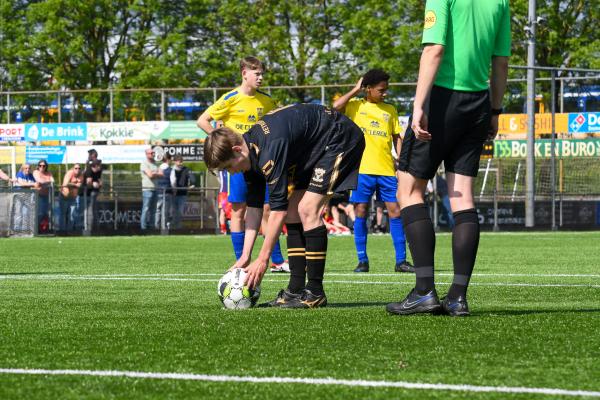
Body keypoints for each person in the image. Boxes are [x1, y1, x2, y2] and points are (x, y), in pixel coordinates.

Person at [387, 0, 511, 316]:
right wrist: (495, 110)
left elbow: (434, 51)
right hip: (479, 102)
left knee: (409, 191)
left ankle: (424, 291)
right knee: (462, 197)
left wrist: (418, 105)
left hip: (441, 99)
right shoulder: (500, 2)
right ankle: (457, 297)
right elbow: (500, 62)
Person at [203, 103, 365, 309]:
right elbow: (254, 209)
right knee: (292, 213)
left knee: (307, 209)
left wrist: (262, 259)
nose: (230, 173)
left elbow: (276, 211)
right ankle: (295, 290)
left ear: (237, 151)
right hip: (312, 148)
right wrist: (245, 256)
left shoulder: (269, 150)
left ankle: (315, 292)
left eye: (227, 167)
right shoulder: (250, 152)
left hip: (338, 137)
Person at [196, 56, 288, 273]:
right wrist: (222, 144)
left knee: (267, 208)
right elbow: (202, 120)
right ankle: (241, 262)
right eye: (257, 73)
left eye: (262, 73)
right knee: (237, 211)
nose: (261, 78)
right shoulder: (230, 98)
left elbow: (281, 118)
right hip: (236, 163)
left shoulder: (266, 100)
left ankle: (277, 260)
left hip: (260, 162)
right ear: (244, 73)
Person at [333, 69, 413, 274]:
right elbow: (335, 107)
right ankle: (362, 261)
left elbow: (397, 137)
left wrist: (402, 165)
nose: (385, 93)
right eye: (381, 90)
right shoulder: (355, 106)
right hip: (362, 170)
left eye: (386, 89)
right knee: (360, 211)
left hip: (386, 169)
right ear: (368, 89)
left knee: (395, 210)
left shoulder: (390, 110)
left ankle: (401, 261)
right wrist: (355, 89)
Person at [170, 155, 195, 229]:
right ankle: (172, 227)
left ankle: (177, 228)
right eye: (178, 161)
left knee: (180, 212)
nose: (180, 163)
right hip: (172, 194)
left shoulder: (186, 169)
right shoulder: (171, 169)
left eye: (181, 161)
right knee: (173, 212)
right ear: (174, 162)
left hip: (182, 194)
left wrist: (192, 185)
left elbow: (193, 179)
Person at [12, 163, 39, 233]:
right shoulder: (20, 174)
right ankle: (16, 229)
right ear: (23, 168)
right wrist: (32, 184)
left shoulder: (30, 175)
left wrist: (35, 185)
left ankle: (25, 229)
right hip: (19, 195)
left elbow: (36, 184)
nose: (28, 169)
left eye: (29, 168)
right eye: (26, 168)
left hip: (27, 196)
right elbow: (22, 183)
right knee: (18, 213)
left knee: (26, 213)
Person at [59, 163, 83, 232]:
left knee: (72, 215)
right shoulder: (69, 173)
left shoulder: (81, 175)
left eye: (79, 168)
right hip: (64, 196)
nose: (77, 169)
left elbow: (80, 185)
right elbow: (66, 183)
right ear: (73, 168)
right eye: (76, 168)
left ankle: (70, 231)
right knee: (63, 215)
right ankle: (62, 231)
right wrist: (75, 184)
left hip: (73, 198)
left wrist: (77, 184)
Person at [140, 147, 160, 231]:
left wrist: (154, 173)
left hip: (155, 189)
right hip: (147, 189)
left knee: (154, 209)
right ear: (147, 154)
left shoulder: (155, 164)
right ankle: (143, 228)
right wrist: (155, 173)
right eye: (151, 153)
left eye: (153, 153)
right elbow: (150, 175)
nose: (153, 154)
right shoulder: (144, 164)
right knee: (146, 208)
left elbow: (162, 174)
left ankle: (152, 227)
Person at [33, 159, 54, 232]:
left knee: (47, 214)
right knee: (40, 213)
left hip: (48, 196)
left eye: (44, 166)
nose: (42, 167)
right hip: (39, 196)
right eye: (40, 165)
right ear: (38, 166)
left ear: (46, 166)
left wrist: (45, 183)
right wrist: (47, 182)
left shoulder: (49, 173)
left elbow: (53, 181)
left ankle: (44, 229)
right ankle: (36, 229)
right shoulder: (36, 172)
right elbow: (39, 180)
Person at [82, 159, 103, 232]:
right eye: (99, 165)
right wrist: (93, 184)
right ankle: (89, 228)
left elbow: (100, 182)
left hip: (95, 193)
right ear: (96, 166)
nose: (101, 166)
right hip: (86, 194)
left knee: (95, 210)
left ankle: (96, 228)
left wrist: (98, 184)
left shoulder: (99, 171)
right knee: (89, 211)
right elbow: (88, 183)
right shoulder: (89, 171)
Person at [155, 152, 172, 230]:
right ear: (168, 160)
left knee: (157, 211)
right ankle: (163, 228)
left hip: (158, 192)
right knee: (165, 212)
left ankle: (156, 227)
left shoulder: (157, 168)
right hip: (167, 192)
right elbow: (173, 181)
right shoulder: (170, 170)